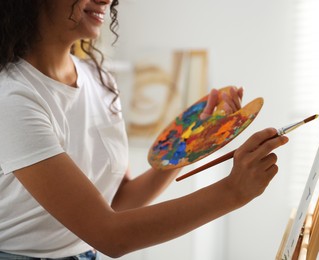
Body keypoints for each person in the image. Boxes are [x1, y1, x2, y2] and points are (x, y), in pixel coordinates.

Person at [0, 0, 289, 259]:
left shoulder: (99, 81)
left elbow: (119, 202)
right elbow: (110, 235)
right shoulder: (13, 97)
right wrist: (232, 192)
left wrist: (191, 142)